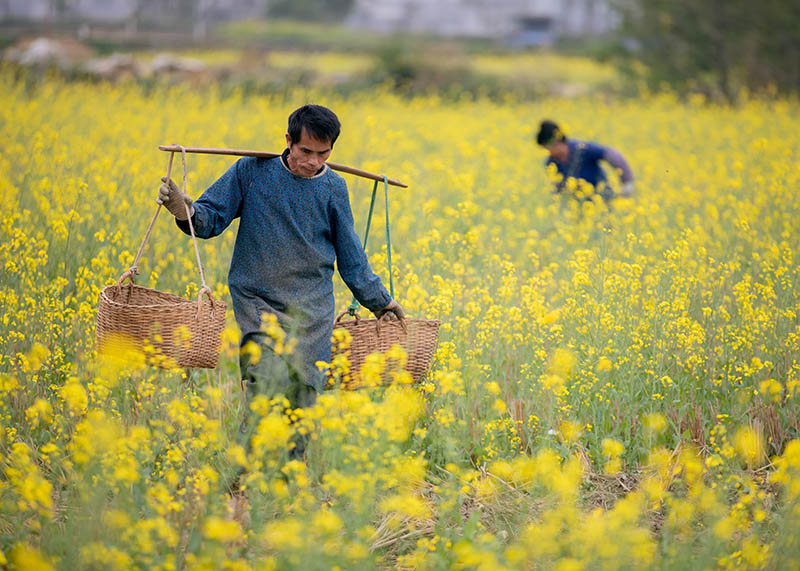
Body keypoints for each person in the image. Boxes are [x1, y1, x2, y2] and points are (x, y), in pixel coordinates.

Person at [157, 104, 405, 466]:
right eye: (306, 151)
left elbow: (351, 256)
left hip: (312, 309)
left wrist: (380, 301)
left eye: (324, 154)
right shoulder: (251, 171)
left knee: (303, 396)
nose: (312, 162)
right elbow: (210, 220)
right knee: (266, 381)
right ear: (288, 141)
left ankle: (290, 476)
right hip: (259, 300)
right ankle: (239, 474)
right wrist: (185, 211)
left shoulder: (334, 187)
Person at [535, 120, 635, 204]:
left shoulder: (581, 149)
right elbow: (558, 189)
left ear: (556, 141)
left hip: (603, 201)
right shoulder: (551, 163)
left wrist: (627, 183)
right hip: (578, 209)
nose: (548, 152)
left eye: (548, 147)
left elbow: (613, 154)